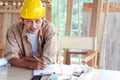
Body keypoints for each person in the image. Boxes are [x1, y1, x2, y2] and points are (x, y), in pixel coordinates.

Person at [5, 0, 58, 70]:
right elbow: (11, 58)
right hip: (21, 69)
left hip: (46, 69)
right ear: (23, 20)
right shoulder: (13, 30)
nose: (34, 26)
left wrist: (21, 59)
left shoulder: (49, 29)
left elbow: (48, 59)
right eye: (29, 21)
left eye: (37, 21)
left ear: (43, 19)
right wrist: (30, 64)